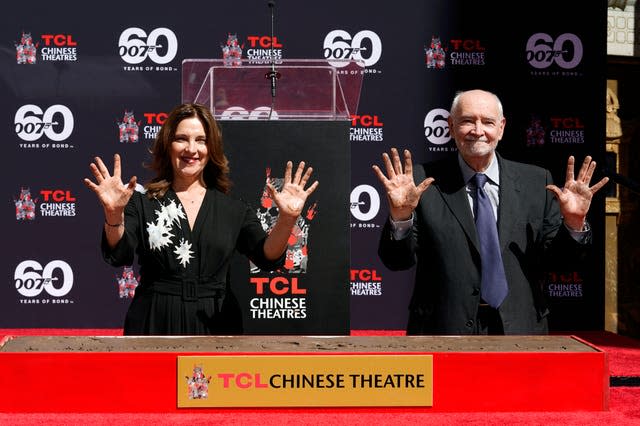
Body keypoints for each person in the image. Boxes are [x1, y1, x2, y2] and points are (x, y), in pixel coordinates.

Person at [372, 89, 609, 335]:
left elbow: (560, 263)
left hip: (519, 329)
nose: (477, 130)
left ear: (501, 128)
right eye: (467, 121)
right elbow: (397, 261)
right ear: (451, 127)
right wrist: (400, 217)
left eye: (487, 122)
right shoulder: (421, 183)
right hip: (442, 330)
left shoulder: (537, 182)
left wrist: (573, 223)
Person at [84, 103, 318, 335]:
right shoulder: (142, 202)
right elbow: (119, 253)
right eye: (181, 139)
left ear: (212, 148)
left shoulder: (233, 209)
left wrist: (287, 219)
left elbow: (267, 256)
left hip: (216, 322)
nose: (191, 149)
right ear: (168, 146)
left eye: (201, 140)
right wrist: (114, 215)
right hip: (155, 319)